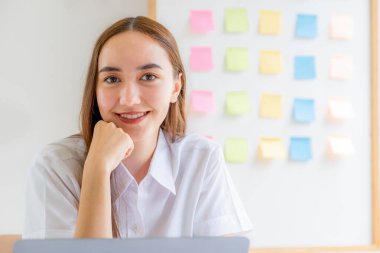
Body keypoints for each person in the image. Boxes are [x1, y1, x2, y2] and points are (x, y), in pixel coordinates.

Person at [22, 16, 252, 239]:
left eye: (148, 76)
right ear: (95, 90)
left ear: (175, 87)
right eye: (112, 79)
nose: (129, 99)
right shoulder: (56, 166)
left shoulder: (202, 159)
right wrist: (97, 168)